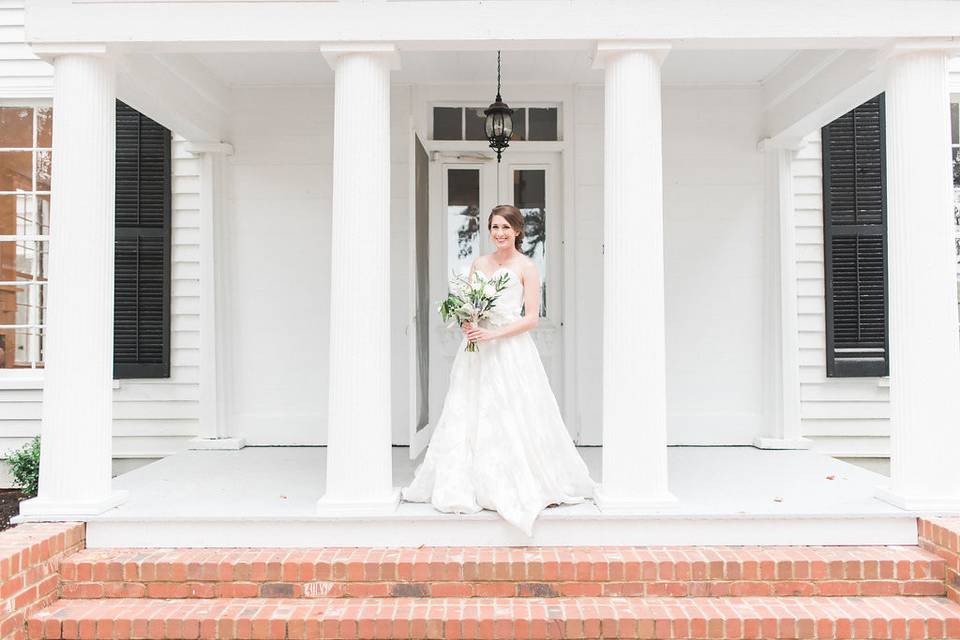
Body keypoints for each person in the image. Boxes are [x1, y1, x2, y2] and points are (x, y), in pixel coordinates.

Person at [401, 205, 597, 536]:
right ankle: (470, 480)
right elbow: (471, 306)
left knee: (513, 409)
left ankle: (523, 479)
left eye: (506, 227)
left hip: (511, 349)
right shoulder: (479, 264)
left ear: (518, 230)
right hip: (478, 349)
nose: (500, 233)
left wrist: (494, 334)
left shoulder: (528, 267)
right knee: (472, 409)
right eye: (494, 227)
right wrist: (468, 322)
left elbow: (532, 317)